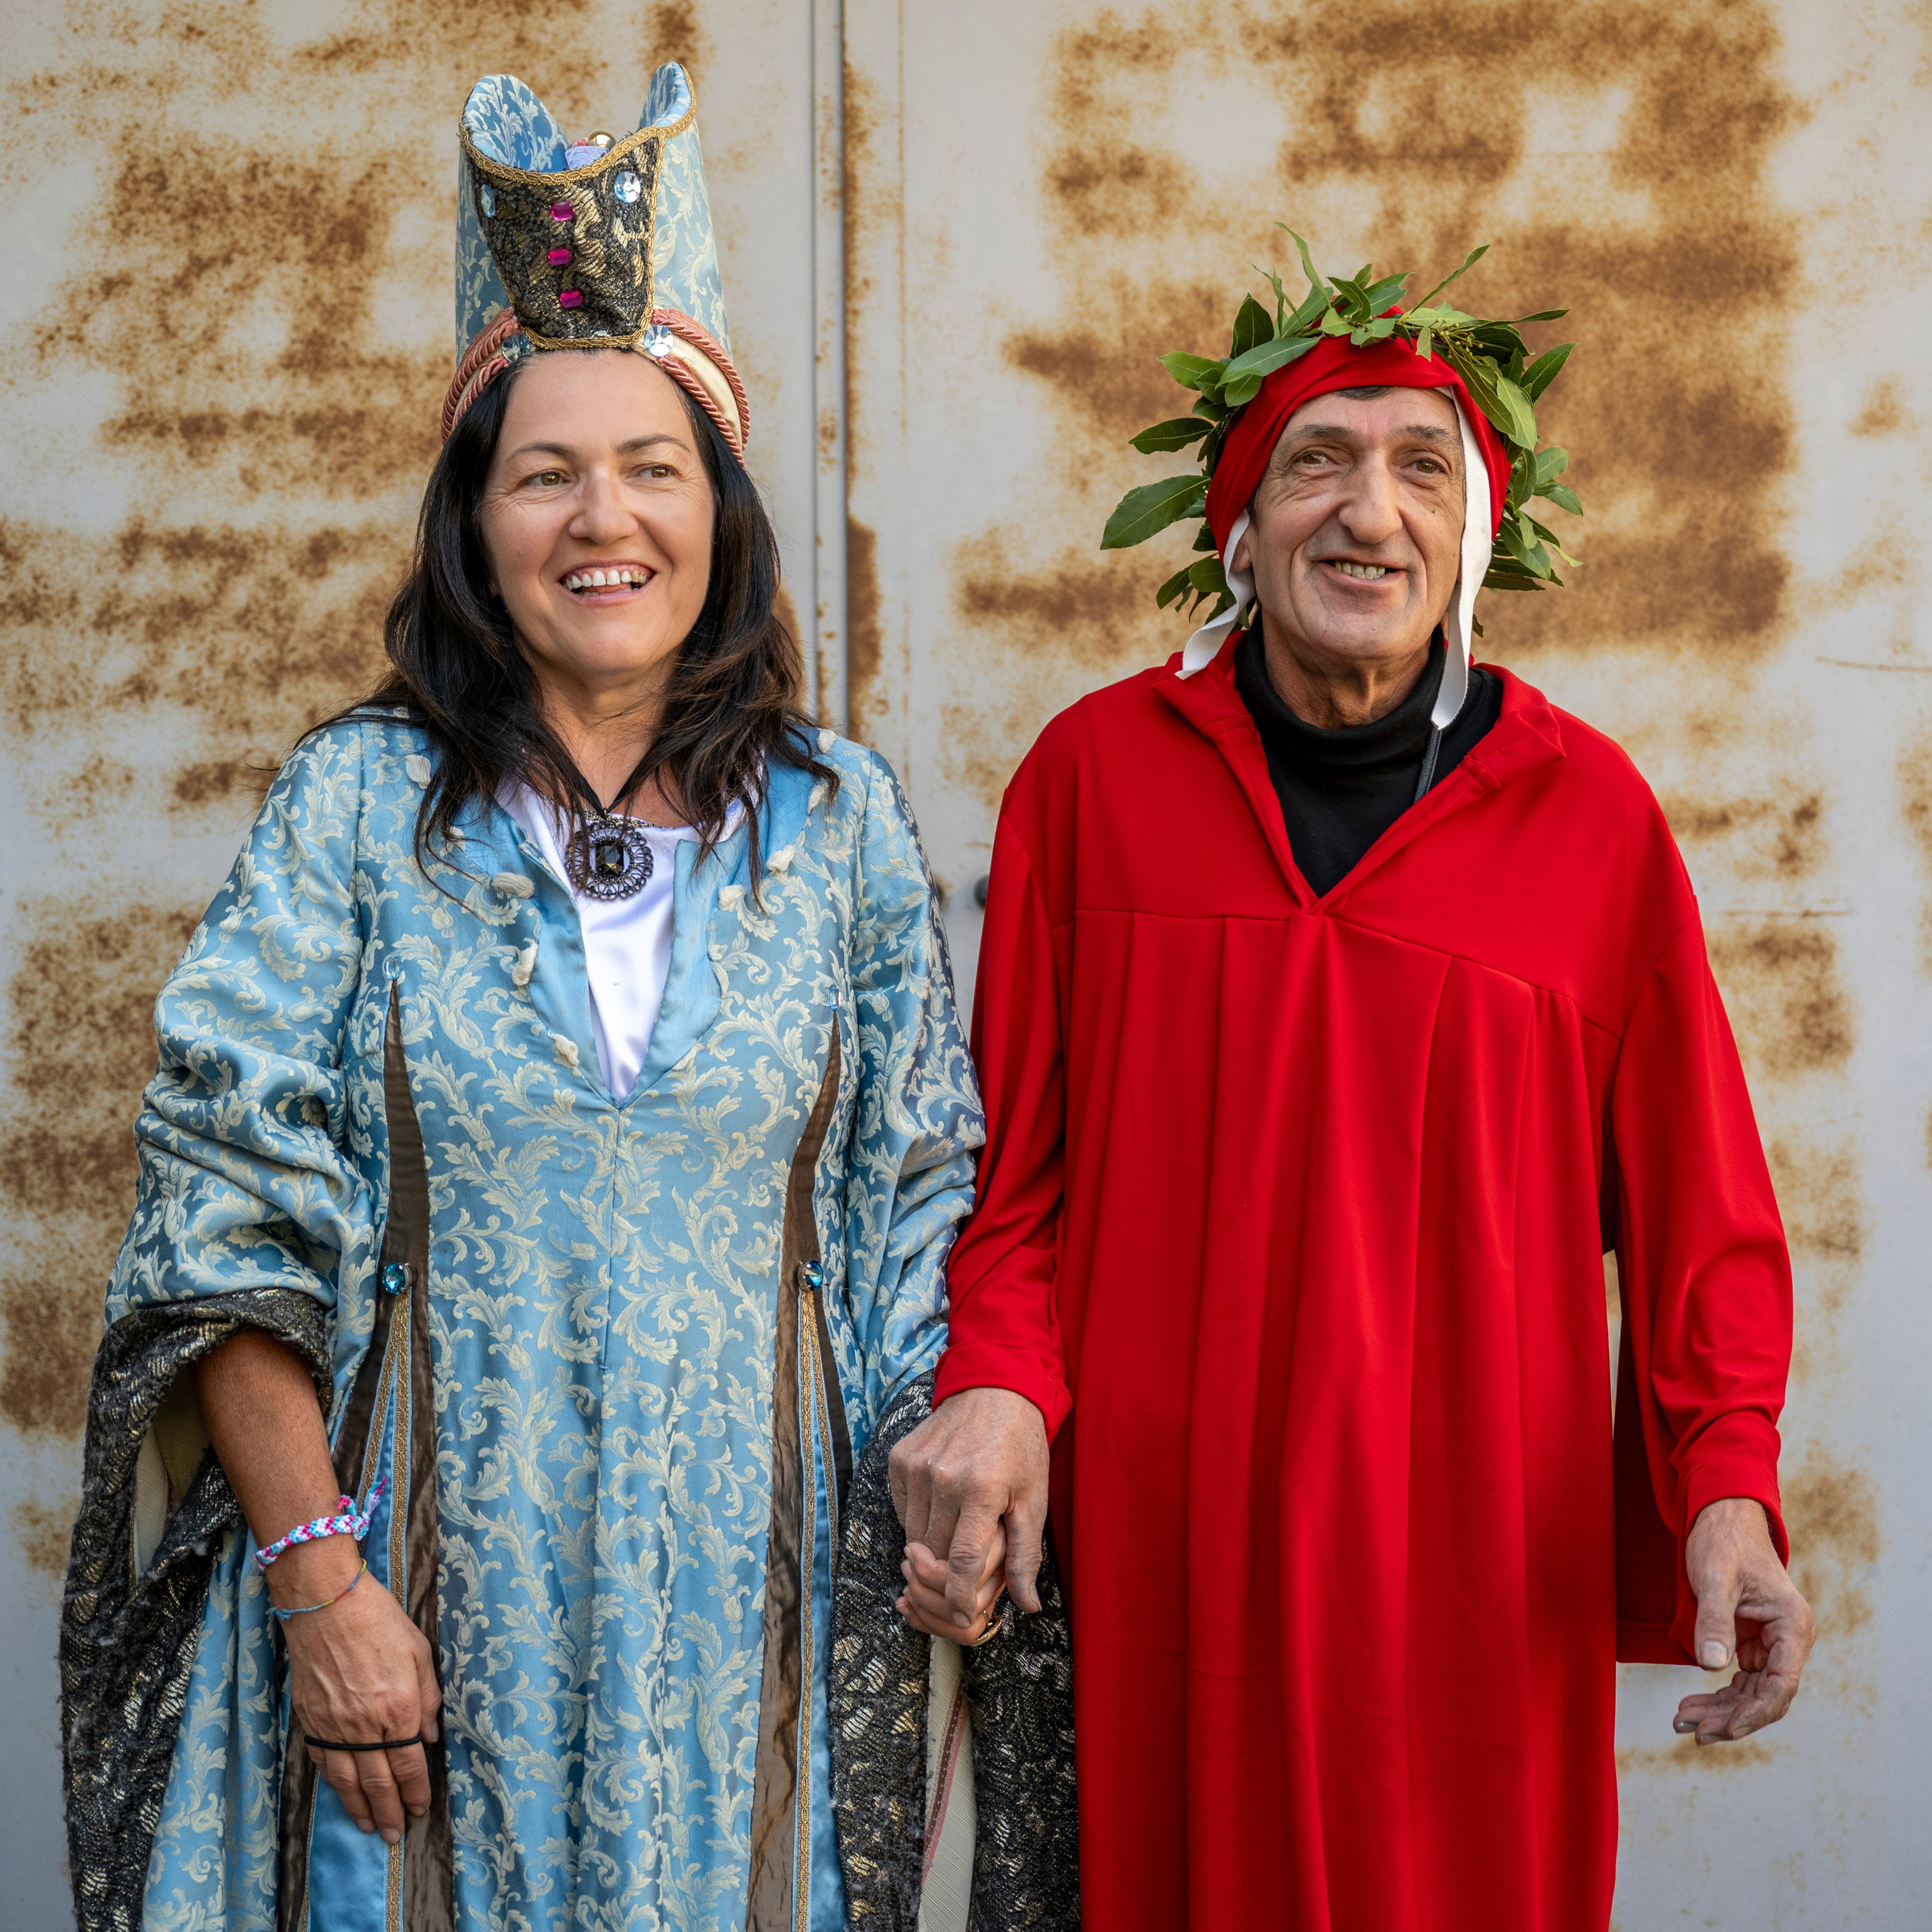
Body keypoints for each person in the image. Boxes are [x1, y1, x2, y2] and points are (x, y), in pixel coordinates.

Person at [60, 65, 989, 1932]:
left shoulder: (841, 821)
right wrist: (321, 1578)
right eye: (541, 468)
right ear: (472, 519)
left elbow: (917, 1207)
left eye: (652, 465)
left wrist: (954, 1499)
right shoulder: (353, 807)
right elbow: (222, 1209)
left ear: (716, 510)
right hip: (413, 1611)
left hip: (761, 1637)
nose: (601, 514)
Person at [888, 239, 1816, 1930]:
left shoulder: (1588, 819)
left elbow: (1701, 1217)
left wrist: (1725, 1484)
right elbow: (1009, 1183)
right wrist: (1002, 1381)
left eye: (1418, 468)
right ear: (1235, 528)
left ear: (1474, 537)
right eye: (1314, 459)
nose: (1365, 510)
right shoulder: (1091, 784)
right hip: (1177, 1580)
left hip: (1467, 1577)